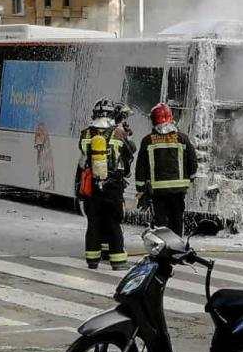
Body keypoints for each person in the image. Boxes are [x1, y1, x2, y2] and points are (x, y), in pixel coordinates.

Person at [77, 98, 133, 270]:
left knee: (93, 222)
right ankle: (118, 262)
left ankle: (92, 260)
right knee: (113, 221)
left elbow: (83, 157)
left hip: (92, 184)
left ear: (94, 114)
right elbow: (128, 154)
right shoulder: (118, 133)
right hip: (113, 185)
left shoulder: (86, 133)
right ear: (111, 114)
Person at [135, 103, 198, 237]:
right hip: (179, 190)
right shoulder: (182, 138)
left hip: (158, 190)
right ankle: (177, 250)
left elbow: (141, 166)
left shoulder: (148, 140)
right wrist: (191, 178)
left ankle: (162, 250)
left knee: (161, 221)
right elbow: (192, 161)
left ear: (153, 119)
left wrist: (140, 189)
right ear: (170, 117)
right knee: (176, 219)